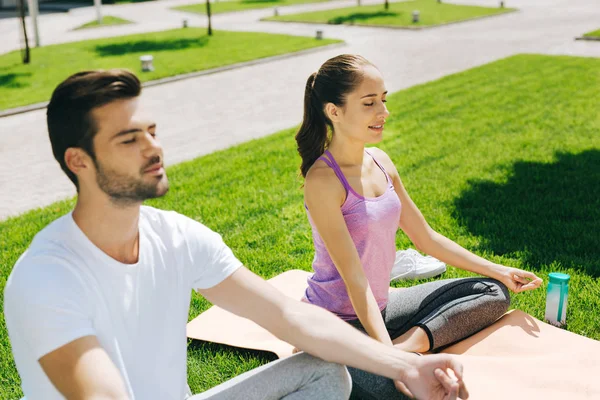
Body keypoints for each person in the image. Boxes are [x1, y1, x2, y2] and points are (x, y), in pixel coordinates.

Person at [3, 70, 470, 400]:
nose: (153, 147)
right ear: (78, 161)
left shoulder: (177, 237)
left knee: (324, 371)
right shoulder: (47, 279)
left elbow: (290, 316)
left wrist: (407, 365)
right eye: (129, 139)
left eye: (151, 130)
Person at [295, 54, 544, 399]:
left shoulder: (380, 162)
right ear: (333, 111)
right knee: (406, 392)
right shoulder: (323, 181)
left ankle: (406, 346)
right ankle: (388, 357)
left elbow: (425, 237)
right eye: (369, 103)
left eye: (383, 100)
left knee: (491, 291)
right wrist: (393, 367)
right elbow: (356, 280)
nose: (383, 112)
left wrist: (498, 269)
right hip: (333, 324)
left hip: (379, 310)